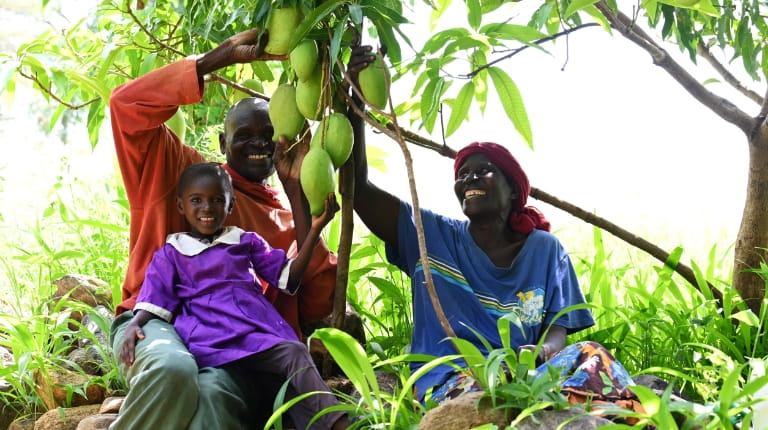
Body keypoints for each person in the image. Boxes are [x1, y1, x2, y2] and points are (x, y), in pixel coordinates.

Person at [347, 46, 643, 419]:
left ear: (512, 189)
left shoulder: (544, 249)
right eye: (462, 174)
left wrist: (545, 353)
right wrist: (354, 104)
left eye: (483, 170)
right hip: (452, 380)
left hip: (525, 374)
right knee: (491, 401)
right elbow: (358, 186)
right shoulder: (430, 235)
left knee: (591, 354)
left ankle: (630, 418)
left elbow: (557, 329)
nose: (468, 178)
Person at [108, 29, 337, 429]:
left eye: (268, 137)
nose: (258, 145)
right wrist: (220, 57)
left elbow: (314, 297)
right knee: (171, 369)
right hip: (155, 321)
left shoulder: (280, 221)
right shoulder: (184, 175)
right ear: (222, 141)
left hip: (230, 347)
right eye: (244, 136)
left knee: (215, 398)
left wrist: (297, 191)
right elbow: (125, 105)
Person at [119, 162, 348, 430]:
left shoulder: (244, 241)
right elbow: (157, 296)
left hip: (254, 334)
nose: (207, 208)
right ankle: (336, 423)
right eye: (197, 200)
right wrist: (135, 324)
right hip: (211, 339)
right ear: (181, 206)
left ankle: (334, 423)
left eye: (217, 200)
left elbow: (288, 278)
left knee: (293, 356)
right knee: (262, 380)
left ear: (231, 205)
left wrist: (314, 231)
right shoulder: (174, 251)